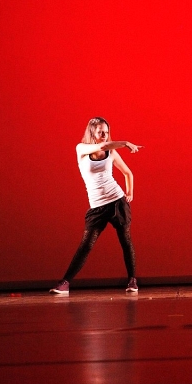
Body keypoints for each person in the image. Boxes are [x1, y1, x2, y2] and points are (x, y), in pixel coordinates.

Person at [50, 117, 142, 296]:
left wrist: (129, 193)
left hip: (117, 202)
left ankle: (132, 281)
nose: (104, 135)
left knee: (126, 241)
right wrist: (125, 143)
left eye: (106, 132)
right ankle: (65, 283)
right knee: (86, 245)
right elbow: (102, 146)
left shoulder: (111, 152)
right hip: (97, 207)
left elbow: (127, 173)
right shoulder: (81, 149)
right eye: (100, 132)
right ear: (92, 132)